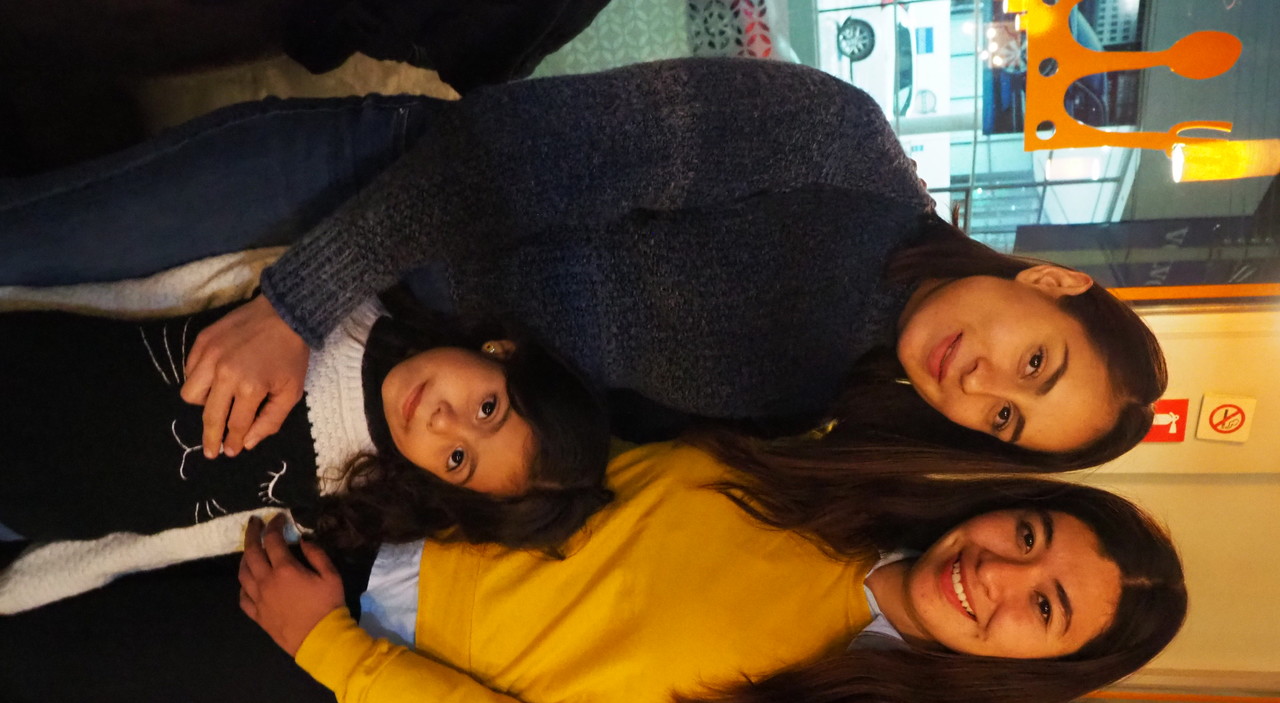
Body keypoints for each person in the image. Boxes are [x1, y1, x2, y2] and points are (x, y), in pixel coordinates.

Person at [0, 57, 1165, 471]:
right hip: (358, 194)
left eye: (1005, 420)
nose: (982, 384)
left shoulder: (816, 399)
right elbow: (526, 149)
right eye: (1035, 363)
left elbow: (593, 419)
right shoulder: (838, 149)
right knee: (30, 244)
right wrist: (300, 303)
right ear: (1049, 284)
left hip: (377, 363)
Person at [212, 440, 1184, 703]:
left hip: (342, 651)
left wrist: (331, 649)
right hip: (376, 489)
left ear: (1027, 673)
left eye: (1043, 609)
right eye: (1028, 534)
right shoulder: (832, 479)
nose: (999, 575)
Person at [0, 280, 612, 614]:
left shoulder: (344, 501)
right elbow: (162, 290)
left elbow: (184, 537)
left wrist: (36, 581)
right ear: (501, 352)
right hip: (38, 372)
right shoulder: (335, 311)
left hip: (41, 508)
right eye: (488, 408)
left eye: (458, 460)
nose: (443, 422)